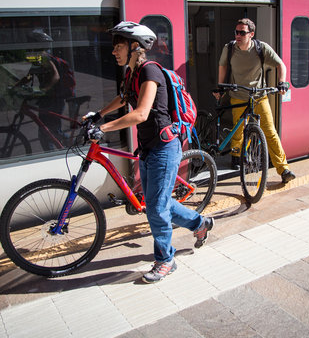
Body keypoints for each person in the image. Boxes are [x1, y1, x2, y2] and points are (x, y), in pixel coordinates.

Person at [84, 21, 214, 283]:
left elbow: (141, 113)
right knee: (159, 203)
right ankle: (200, 223)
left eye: (118, 46)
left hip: (164, 148)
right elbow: (124, 98)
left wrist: (104, 127)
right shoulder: (132, 74)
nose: (114, 52)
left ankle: (166, 260)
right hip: (147, 148)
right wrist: (99, 114)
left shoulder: (150, 71)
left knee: (155, 208)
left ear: (134, 46)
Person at [215, 18, 296, 183]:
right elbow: (223, 65)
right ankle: (236, 155)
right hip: (238, 95)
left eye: (242, 33)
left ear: (251, 34)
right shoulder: (229, 48)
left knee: (270, 132)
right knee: (238, 130)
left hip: (259, 97)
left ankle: (284, 169)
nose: (238, 35)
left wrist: (282, 82)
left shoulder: (261, 48)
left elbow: (281, 65)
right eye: (236, 32)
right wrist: (220, 86)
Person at [25, 28, 70, 151]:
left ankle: (73, 143)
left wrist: (44, 89)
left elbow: (56, 76)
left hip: (55, 99)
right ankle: (49, 154)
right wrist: (15, 86)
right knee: (44, 129)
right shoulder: (38, 58)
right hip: (47, 99)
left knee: (52, 130)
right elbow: (29, 76)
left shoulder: (45, 57)